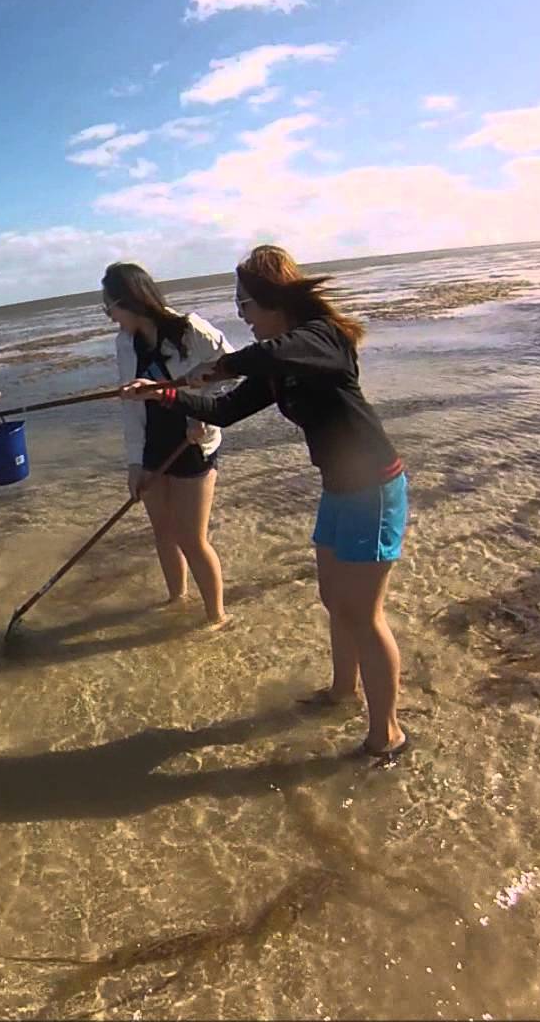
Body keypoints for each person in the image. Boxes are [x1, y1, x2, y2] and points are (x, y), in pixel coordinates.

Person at [121, 245, 409, 762]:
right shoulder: (279, 361)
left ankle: (386, 735)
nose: (242, 318)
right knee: (332, 599)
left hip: (376, 488)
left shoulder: (324, 339)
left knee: (365, 615)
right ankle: (343, 691)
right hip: (340, 489)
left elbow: (267, 356)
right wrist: (163, 394)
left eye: (245, 307)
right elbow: (227, 410)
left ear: (272, 300)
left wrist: (219, 363)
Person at [102, 260, 234, 627]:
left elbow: (233, 368)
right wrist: (133, 464)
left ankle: (217, 618)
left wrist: (201, 415)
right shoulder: (125, 343)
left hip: (192, 442)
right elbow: (130, 407)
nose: (110, 317)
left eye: (109, 307)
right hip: (153, 445)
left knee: (192, 538)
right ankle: (177, 600)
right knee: (163, 531)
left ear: (129, 300)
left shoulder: (189, 328)